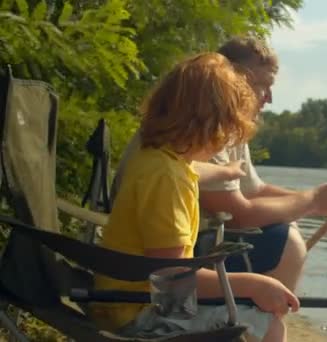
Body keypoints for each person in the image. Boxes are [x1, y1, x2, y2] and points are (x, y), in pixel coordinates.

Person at [91, 52, 299, 342]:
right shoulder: (167, 180)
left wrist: (226, 172)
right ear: (208, 125)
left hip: (125, 299)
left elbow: (193, 171)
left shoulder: (158, 159)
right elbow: (173, 276)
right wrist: (253, 285)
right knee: (267, 325)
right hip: (138, 313)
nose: (225, 142)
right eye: (228, 131)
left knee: (245, 308)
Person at [199, 36, 327, 291]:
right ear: (233, 80)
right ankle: (256, 322)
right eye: (264, 85)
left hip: (196, 248)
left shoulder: (231, 129)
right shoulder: (203, 128)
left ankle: (259, 320)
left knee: (285, 223)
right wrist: (313, 200)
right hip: (175, 263)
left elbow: (255, 191)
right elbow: (239, 216)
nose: (270, 98)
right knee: (285, 240)